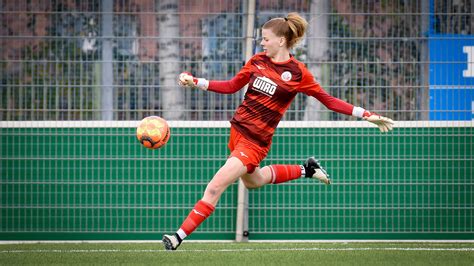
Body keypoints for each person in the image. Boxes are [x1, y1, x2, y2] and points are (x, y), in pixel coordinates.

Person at [162, 12, 394, 250]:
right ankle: (307, 170)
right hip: (237, 133)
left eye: (265, 39)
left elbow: (328, 100)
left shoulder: (298, 73)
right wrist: (196, 81)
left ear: (281, 41)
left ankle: (177, 237)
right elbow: (232, 86)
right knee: (255, 181)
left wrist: (366, 114)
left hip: (254, 143)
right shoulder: (256, 61)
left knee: (214, 186)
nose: (262, 43)